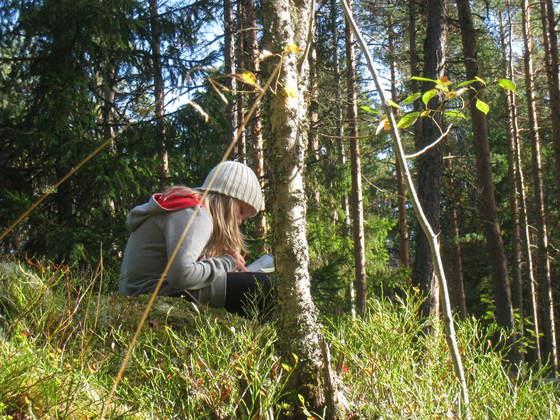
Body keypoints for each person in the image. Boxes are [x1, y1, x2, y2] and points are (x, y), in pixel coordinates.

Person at [118, 161, 273, 318]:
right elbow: (181, 275)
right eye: (240, 211)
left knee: (250, 283)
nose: (240, 221)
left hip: (140, 291)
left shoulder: (186, 207)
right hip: (154, 294)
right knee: (264, 286)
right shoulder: (197, 214)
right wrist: (228, 262)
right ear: (227, 200)